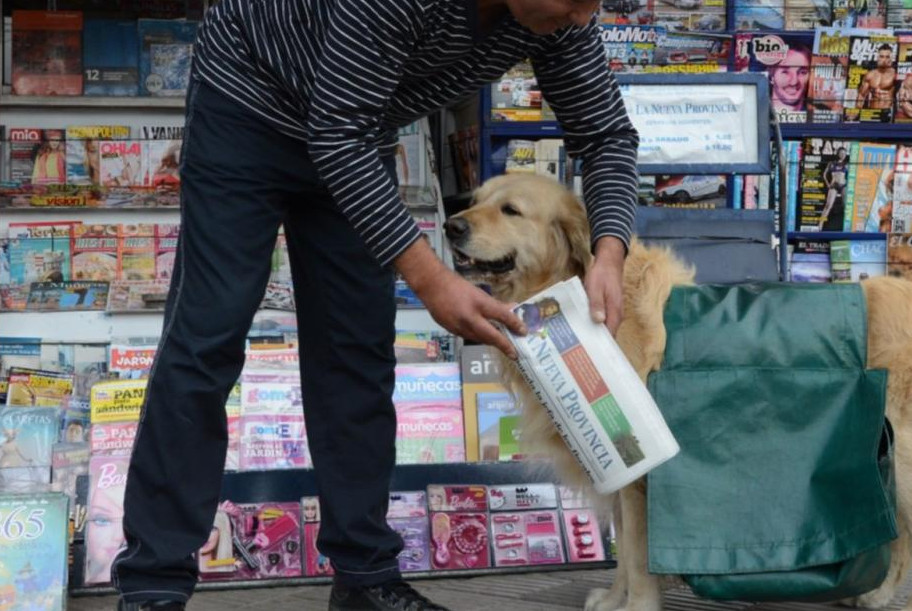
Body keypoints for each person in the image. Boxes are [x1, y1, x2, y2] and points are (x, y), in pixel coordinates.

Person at [111, 1, 636, 610]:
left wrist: (609, 251)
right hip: (250, 107)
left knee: (356, 349)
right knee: (206, 340)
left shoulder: (561, 16)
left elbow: (606, 134)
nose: (582, 17)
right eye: (572, 3)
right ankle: (154, 582)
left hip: (358, 129)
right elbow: (335, 132)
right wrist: (434, 282)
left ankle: (365, 578)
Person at [856, 43, 896, 119]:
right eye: (881, 56)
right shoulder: (870, 75)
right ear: (877, 57)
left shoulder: (895, 74)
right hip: (871, 112)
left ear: (891, 58)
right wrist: (857, 113)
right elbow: (861, 95)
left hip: (887, 113)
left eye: (887, 57)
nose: (884, 60)